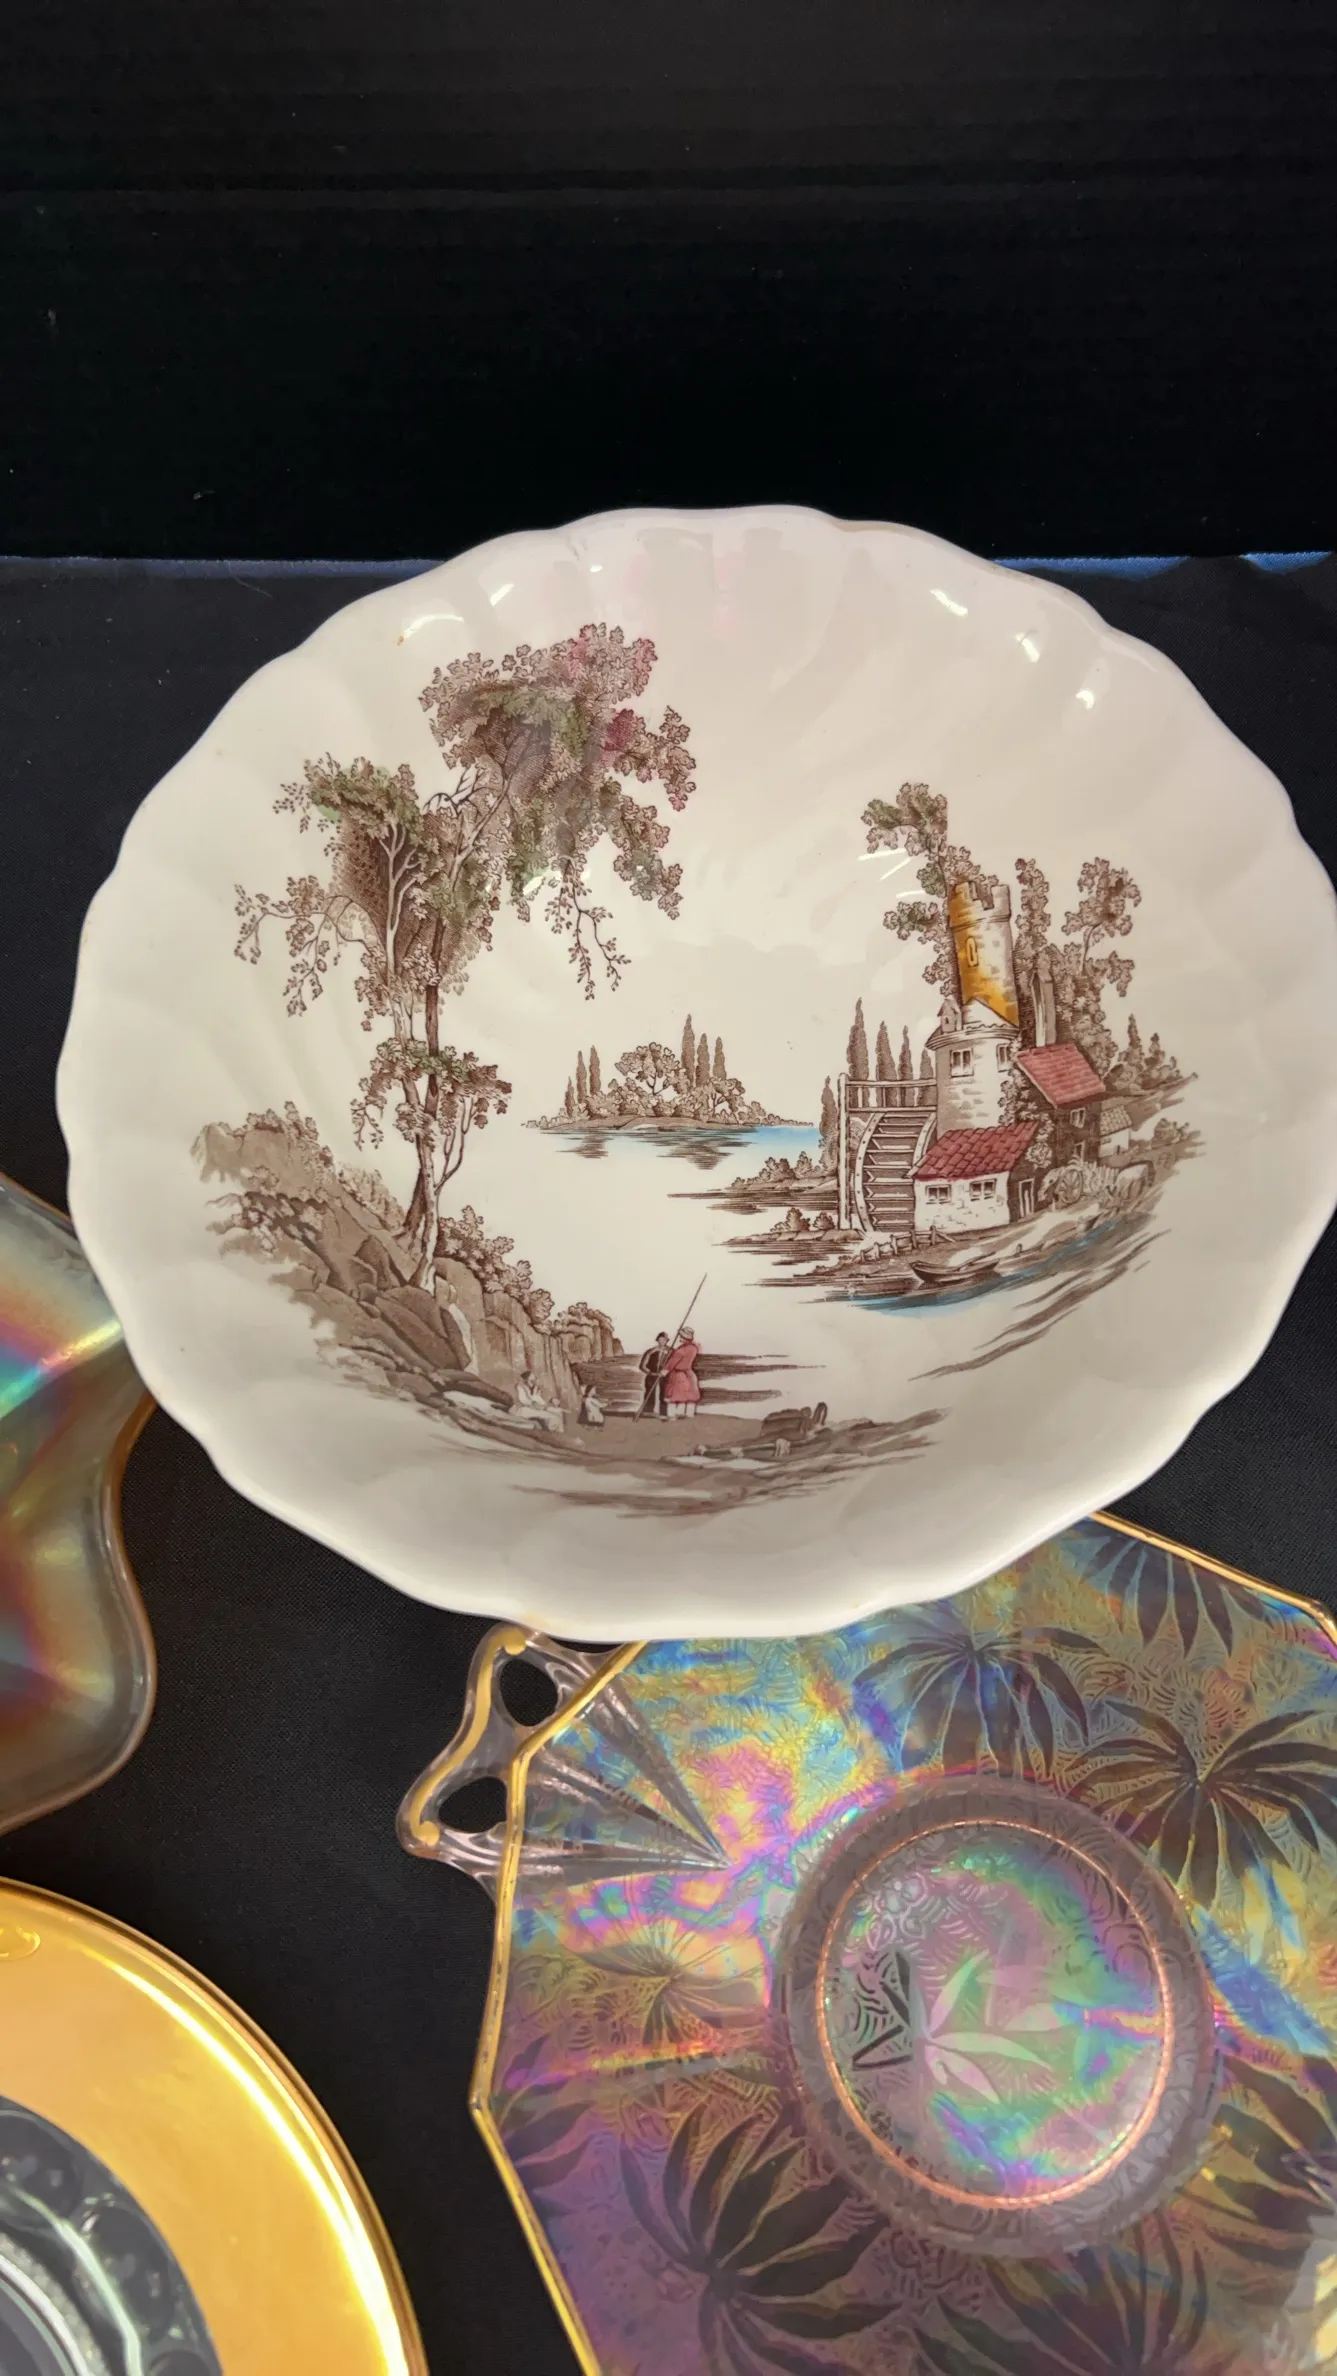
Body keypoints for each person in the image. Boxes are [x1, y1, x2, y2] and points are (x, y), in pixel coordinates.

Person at [663, 1326, 702, 1420]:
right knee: (688, 1394)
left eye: (681, 1336)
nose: (679, 1338)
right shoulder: (694, 1348)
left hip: (679, 1374)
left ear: (685, 1337)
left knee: (674, 1395)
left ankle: (672, 1415)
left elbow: (672, 1362)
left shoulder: (681, 1350)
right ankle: (688, 1414)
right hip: (689, 1373)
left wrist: (665, 1370)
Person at [512, 1370, 565, 1434]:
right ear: (526, 1380)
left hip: (534, 1407)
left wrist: (547, 1403)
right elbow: (525, 1401)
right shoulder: (520, 1387)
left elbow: (540, 1401)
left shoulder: (533, 1388)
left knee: (558, 1412)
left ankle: (559, 1431)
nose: (533, 1383)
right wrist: (536, 1403)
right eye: (531, 1381)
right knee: (552, 1416)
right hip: (523, 1409)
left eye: (534, 1381)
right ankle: (550, 1431)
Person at [638, 1332, 671, 1417]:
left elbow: (674, 1364)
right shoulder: (651, 1351)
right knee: (649, 1393)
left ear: (667, 1340)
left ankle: (663, 1413)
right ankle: (648, 1411)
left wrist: (667, 1371)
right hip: (652, 1375)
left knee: (664, 1394)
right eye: (660, 1339)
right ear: (657, 1340)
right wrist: (650, 1372)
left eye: (664, 1340)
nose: (662, 1341)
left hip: (664, 1376)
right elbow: (642, 1366)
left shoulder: (671, 1351)